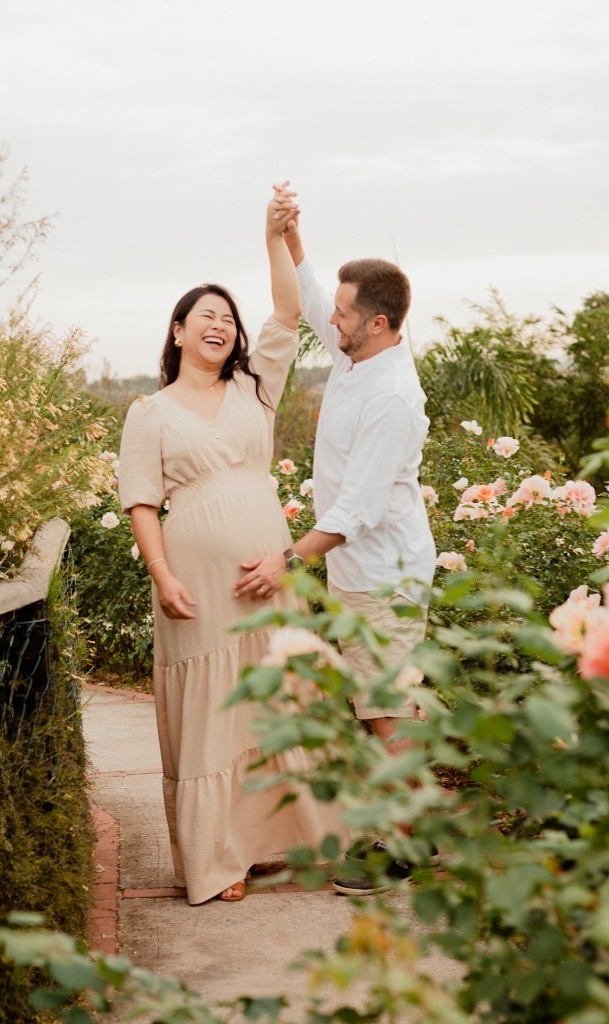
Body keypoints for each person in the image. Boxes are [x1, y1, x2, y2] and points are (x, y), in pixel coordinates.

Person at [115, 188, 344, 905]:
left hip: (268, 575)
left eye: (226, 317)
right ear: (177, 332)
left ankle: (271, 842)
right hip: (198, 588)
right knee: (213, 712)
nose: (219, 324)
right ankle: (217, 860)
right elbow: (142, 503)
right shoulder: (148, 414)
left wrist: (273, 236)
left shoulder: (256, 390)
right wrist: (161, 576)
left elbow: (286, 312)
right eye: (204, 316)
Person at [244, 184, 438, 896]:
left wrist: (285, 560)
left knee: (384, 709)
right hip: (360, 572)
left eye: (345, 313)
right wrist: (292, 238)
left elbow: (354, 510)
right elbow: (316, 289)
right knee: (384, 702)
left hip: (383, 573)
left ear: (379, 323)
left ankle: (410, 844)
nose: (332, 318)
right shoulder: (359, 352)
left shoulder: (392, 396)